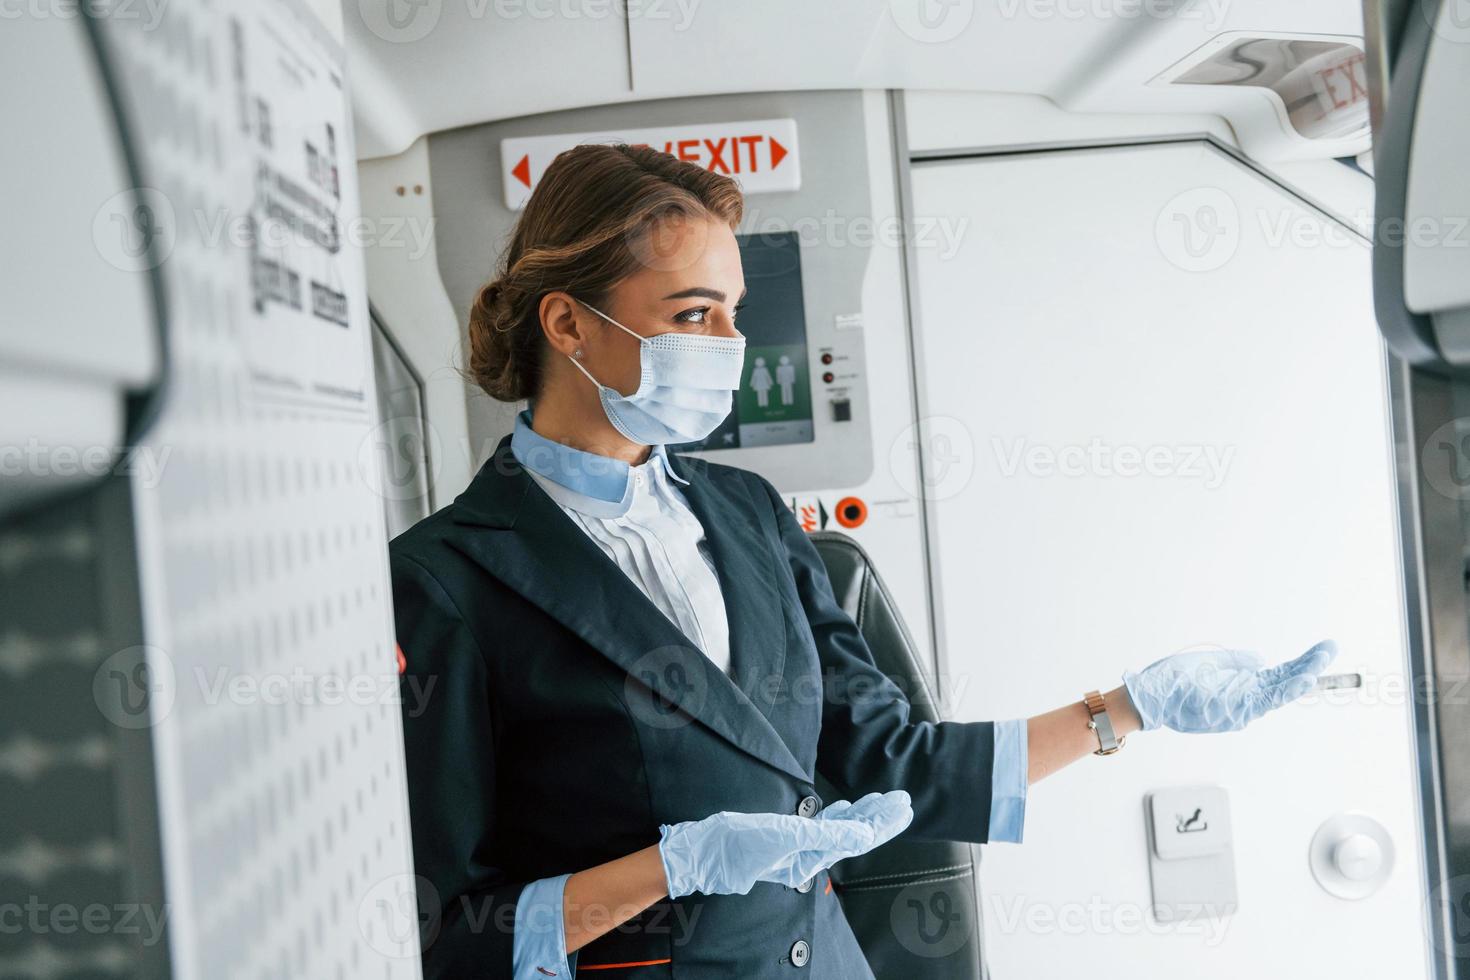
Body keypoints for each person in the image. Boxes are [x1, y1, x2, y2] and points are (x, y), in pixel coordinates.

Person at [389, 143, 1335, 979]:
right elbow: (449, 938)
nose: (732, 345)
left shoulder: (748, 513)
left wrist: (1128, 708)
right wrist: (670, 869)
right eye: (694, 313)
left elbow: (894, 762)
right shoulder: (445, 580)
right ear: (569, 325)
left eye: (735, 312)